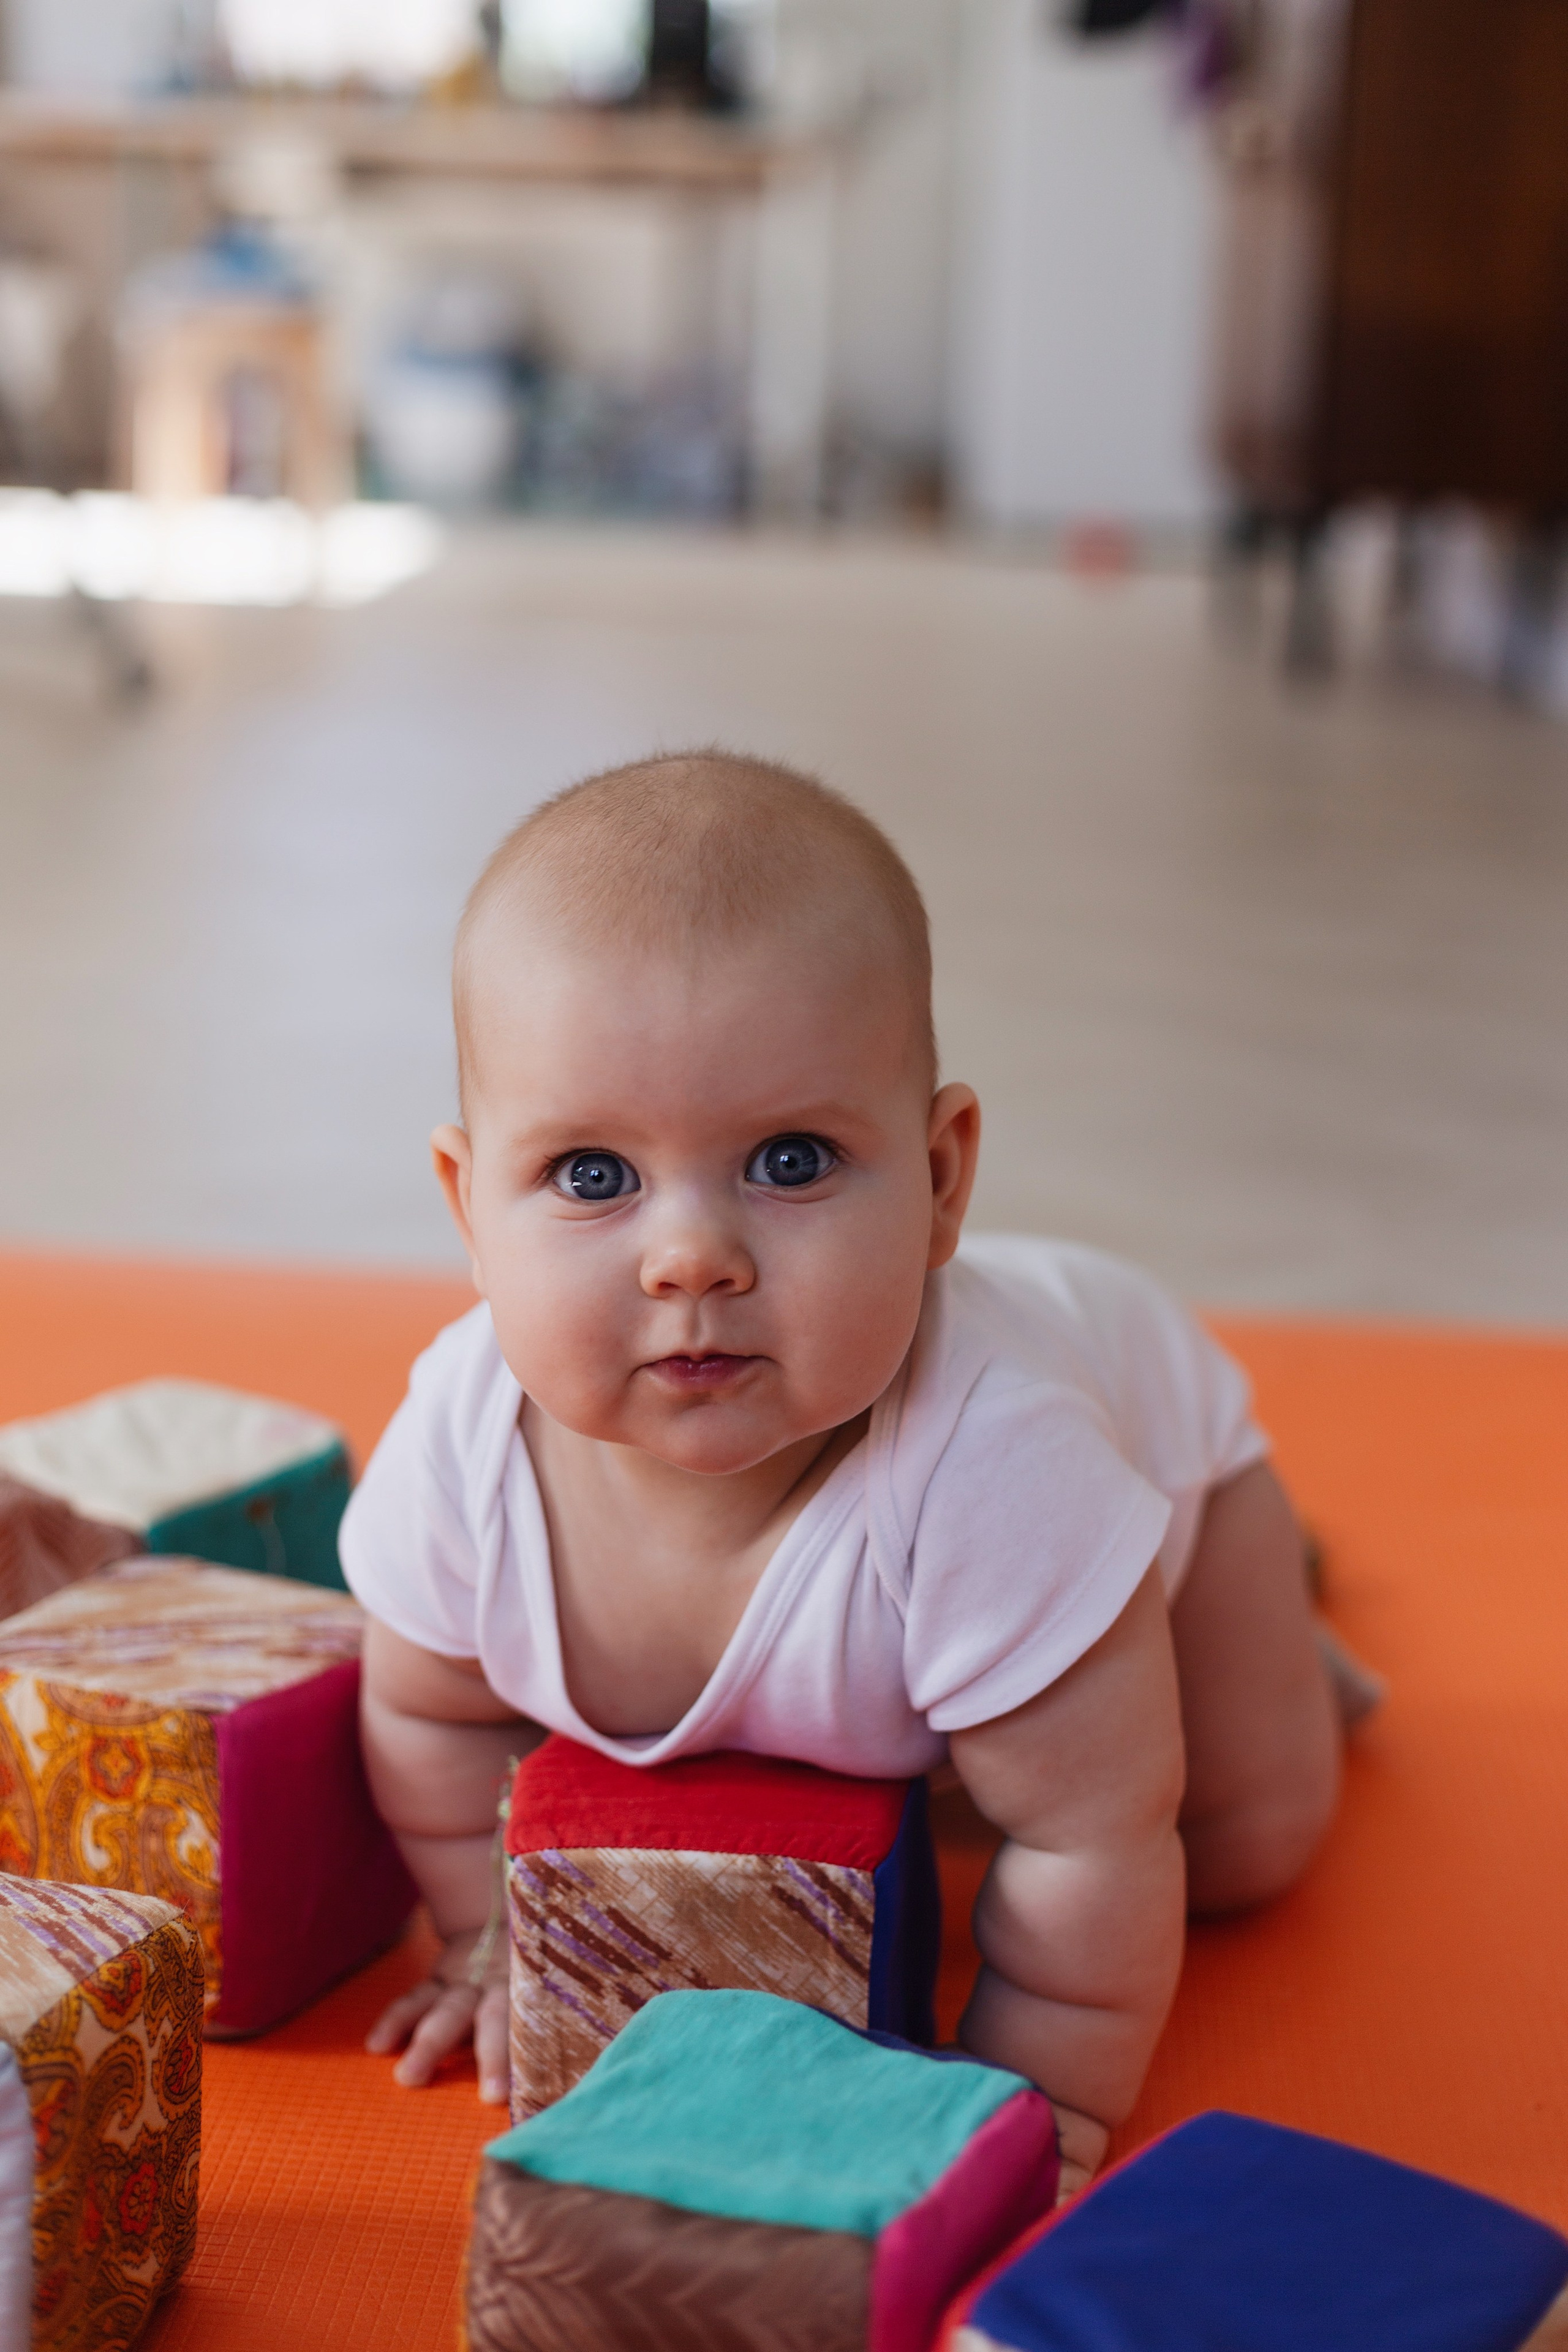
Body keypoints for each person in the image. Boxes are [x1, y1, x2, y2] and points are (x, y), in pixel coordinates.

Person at [342, 751, 1351, 2198]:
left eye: (792, 1159)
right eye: (589, 1177)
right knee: (978, 1763)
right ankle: (985, 1703)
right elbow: (427, 1720)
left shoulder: (1000, 1466)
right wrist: (486, 1936)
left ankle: (1251, 1614)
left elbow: (1092, 1844)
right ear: (466, 1207)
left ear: (941, 1181)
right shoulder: (462, 1449)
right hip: (948, 1621)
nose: (690, 1255)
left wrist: (1037, 2111)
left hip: (1155, 1452)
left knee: (1236, 1833)